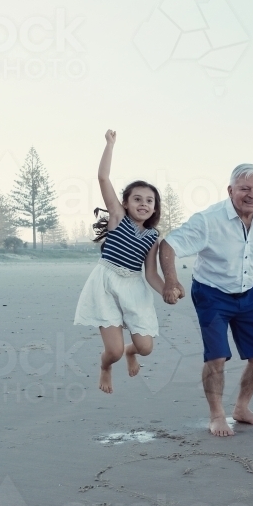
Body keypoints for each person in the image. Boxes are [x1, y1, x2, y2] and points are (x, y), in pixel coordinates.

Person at [159, 164, 253, 437]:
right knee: (216, 357)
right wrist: (171, 280)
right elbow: (169, 244)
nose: (252, 195)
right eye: (245, 189)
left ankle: (242, 408)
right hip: (211, 292)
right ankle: (217, 415)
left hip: (250, 291)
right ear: (230, 191)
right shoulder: (208, 220)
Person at [74, 130, 165, 393]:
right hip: (105, 283)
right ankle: (106, 366)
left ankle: (130, 351)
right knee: (112, 352)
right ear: (125, 203)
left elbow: (151, 274)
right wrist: (110, 145)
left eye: (149, 201)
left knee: (146, 347)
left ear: (155, 208)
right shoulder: (117, 217)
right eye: (137, 199)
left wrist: (166, 291)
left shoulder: (153, 236)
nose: (143, 204)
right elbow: (103, 177)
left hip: (134, 286)